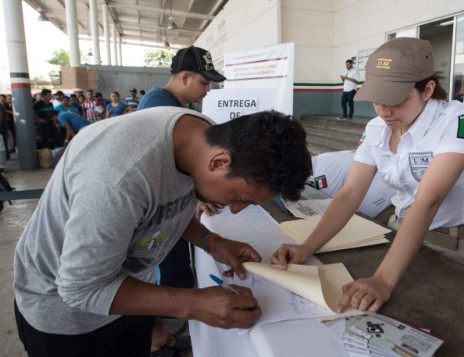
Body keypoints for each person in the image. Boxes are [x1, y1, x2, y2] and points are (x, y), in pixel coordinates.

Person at [13, 107, 312, 356]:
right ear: (220, 162)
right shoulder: (117, 180)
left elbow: (163, 207)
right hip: (67, 318)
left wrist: (210, 240)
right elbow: (80, 288)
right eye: (240, 198)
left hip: (131, 296)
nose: (234, 210)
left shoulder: (203, 136)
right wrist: (193, 304)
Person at [272, 37, 464, 313]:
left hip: (451, 244)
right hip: (399, 234)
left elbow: (428, 201)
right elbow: (350, 194)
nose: (385, 111)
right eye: (377, 100)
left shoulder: (458, 119)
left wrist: (383, 279)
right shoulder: (377, 128)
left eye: (396, 101)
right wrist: (307, 247)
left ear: (427, 89)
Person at [137, 45, 227, 354]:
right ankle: (157, 336)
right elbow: (162, 168)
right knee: (169, 272)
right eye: (204, 82)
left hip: (168, 212)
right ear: (185, 76)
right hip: (154, 215)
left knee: (177, 270)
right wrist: (196, 198)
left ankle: (164, 333)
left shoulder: (174, 105)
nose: (207, 90)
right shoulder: (161, 106)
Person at [309, 150, 395, 219]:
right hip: (386, 193)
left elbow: (329, 210)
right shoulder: (321, 161)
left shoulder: (323, 175)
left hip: (390, 206)